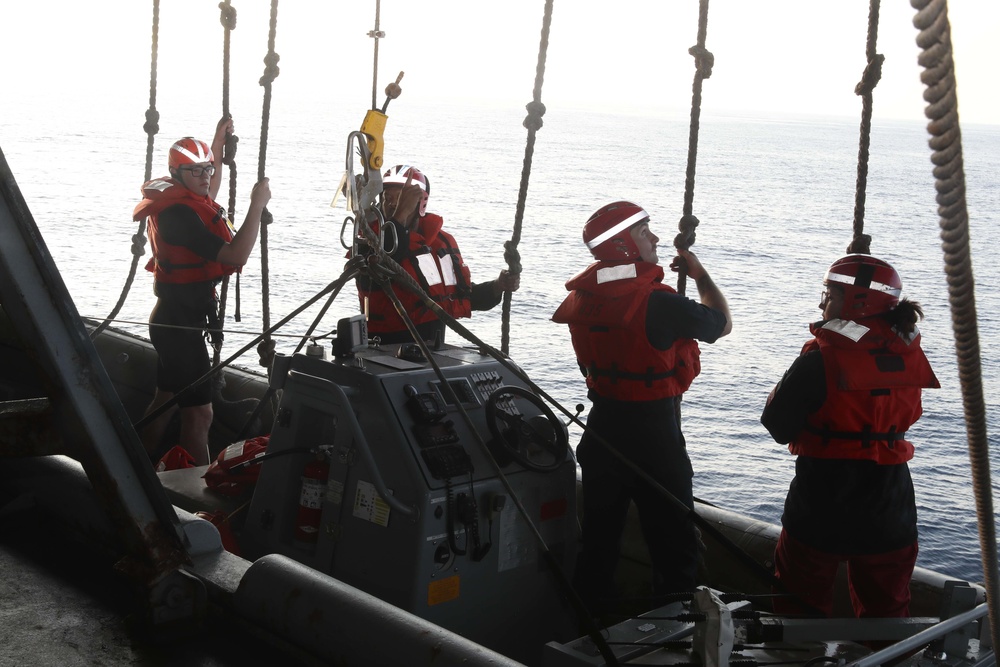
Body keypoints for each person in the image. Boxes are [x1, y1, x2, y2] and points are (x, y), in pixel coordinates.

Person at [552, 201, 731, 617]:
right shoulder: (659, 303)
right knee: (674, 547)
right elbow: (721, 323)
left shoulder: (583, 296)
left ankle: (586, 630)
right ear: (624, 244)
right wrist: (699, 273)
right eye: (645, 231)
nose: (653, 238)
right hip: (654, 436)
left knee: (598, 543)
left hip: (602, 431)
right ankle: (672, 636)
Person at [761, 254, 939, 618]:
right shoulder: (906, 352)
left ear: (857, 301)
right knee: (887, 616)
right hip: (891, 507)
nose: (822, 302)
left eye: (829, 293)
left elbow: (777, 425)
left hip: (822, 502)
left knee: (798, 610)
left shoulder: (820, 357)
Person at [133, 117, 271, 466]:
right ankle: (195, 494)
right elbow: (236, 255)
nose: (206, 177)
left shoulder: (187, 199)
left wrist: (217, 145)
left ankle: (135, 461)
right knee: (200, 415)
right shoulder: (176, 217)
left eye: (208, 169)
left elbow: (208, 190)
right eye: (196, 172)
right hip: (179, 326)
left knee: (165, 402)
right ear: (177, 174)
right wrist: (257, 204)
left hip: (176, 320)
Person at [355, 165, 519, 344]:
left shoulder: (440, 243)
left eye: (402, 199)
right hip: (384, 350)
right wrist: (401, 213)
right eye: (388, 198)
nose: (393, 204)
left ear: (421, 203)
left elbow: (460, 295)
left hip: (431, 353)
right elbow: (384, 262)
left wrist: (497, 286)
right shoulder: (369, 243)